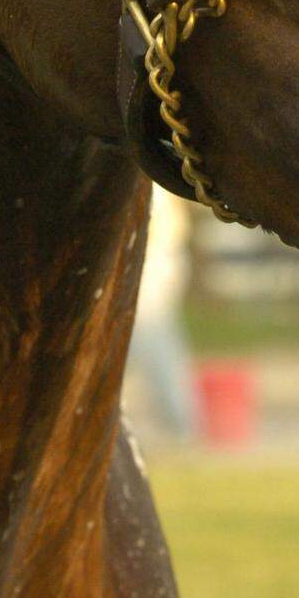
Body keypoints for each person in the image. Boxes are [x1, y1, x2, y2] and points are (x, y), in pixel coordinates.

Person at [126, 186, 197, 440]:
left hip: (152, 264)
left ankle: (181, 424)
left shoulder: (152, 186)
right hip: (150, 262)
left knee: (155, 344)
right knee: (142, 347)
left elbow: (166, 229)